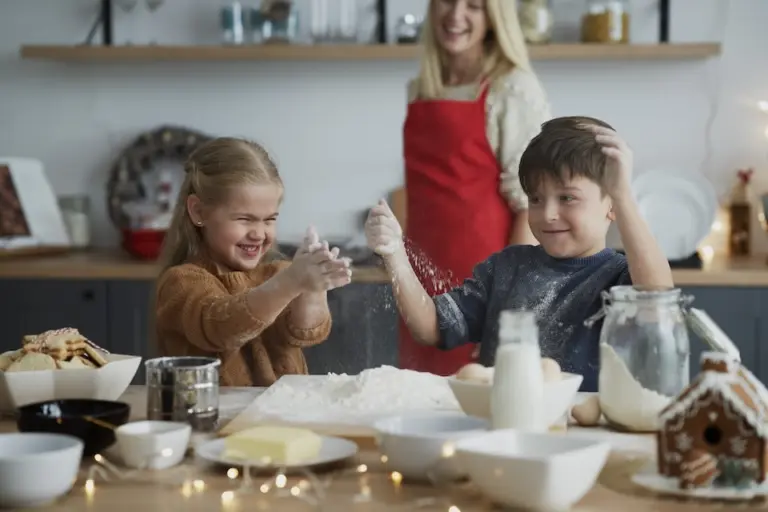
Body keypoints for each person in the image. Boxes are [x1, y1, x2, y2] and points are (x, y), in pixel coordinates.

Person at [366, 117, 673, 391]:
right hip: (503, 430)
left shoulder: (620, 279)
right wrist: (396, 255)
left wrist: (623, 195)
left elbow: (658, 294)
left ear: (611, 207)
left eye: (567, 197)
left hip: (588, 434)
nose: (548, 213)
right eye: (536, 199)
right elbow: (430, 327)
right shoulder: (505, 268)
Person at [400, 0, 552, 376]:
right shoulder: (421, 88)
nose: (456, 15)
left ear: (493, 18)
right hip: (420, 278)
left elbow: (529, 208)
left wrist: (508, 307)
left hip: (482, 287)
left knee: (478, 406)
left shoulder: (512, 88)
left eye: (474, 6)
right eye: (447, 2)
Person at [155, 137, 352, 387]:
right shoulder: (180, 283)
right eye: (245, 219)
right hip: (214, 420)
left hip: (279, 418)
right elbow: (221, 327)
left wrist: (312, 289)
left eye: (269, 219)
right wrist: (290, 283)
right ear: (198, 212)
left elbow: (305, 332)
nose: (259, 233)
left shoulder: (277, 274)